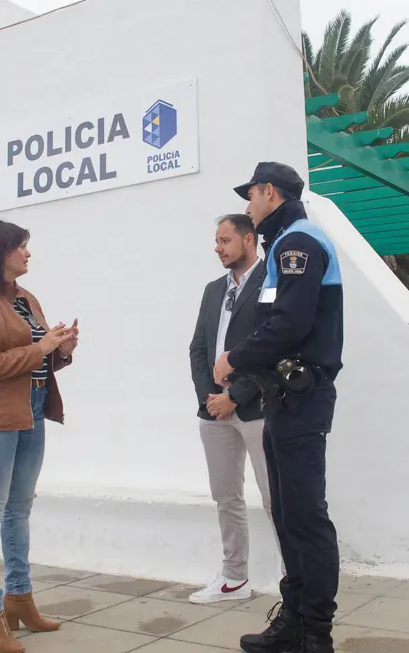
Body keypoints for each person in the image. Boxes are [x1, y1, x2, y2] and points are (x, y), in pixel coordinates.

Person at [214, 162, 344, 653]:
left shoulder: (298, 244)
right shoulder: (285, 243)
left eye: (250, 195)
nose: (248, 206)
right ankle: (294, 620)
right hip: (284, 398)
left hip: (301, 398)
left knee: (305, 517)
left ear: (270, 192)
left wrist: (234, 359)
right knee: (288, 515)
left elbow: (289, 324)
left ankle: (315, 633)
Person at [0, 219, 79, 653]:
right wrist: (39, 349)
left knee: (19, 509)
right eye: (21, 246)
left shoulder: (26, 298)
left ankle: (20, 600)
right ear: (0, 251)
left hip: (33, 410)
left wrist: (60, 350)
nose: (28, 253)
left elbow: (37, 359)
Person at [187, 213, 275, 604]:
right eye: (216, 241)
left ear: (248, 239)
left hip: (257, 407)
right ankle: (234, 578)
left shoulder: (272, 281)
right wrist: (210, 398)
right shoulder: (212, 290)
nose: (217, 248)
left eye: (225, 240)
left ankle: (294, 579)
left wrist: (235, 395)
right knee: (226, 497)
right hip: (214, 411)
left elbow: (274, 346)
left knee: (275, 498)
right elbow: (198, 349)